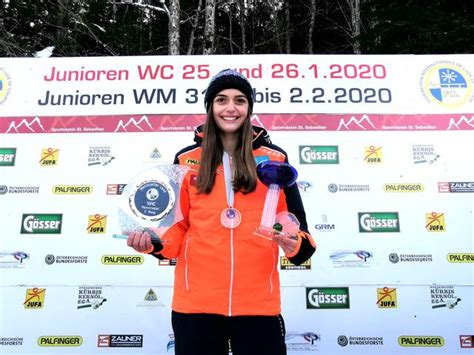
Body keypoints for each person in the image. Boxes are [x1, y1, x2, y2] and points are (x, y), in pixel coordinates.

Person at [127, 68, 316, 355]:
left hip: (257, 305)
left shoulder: (275, 159)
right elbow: (175, 230)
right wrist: (152, 243)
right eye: (221, 100)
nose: (231, 108)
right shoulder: (186, 159)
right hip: (196, 305)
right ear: (210, 107)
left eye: (240, 100)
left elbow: (298, 231)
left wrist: (294, 243)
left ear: (249, 108)